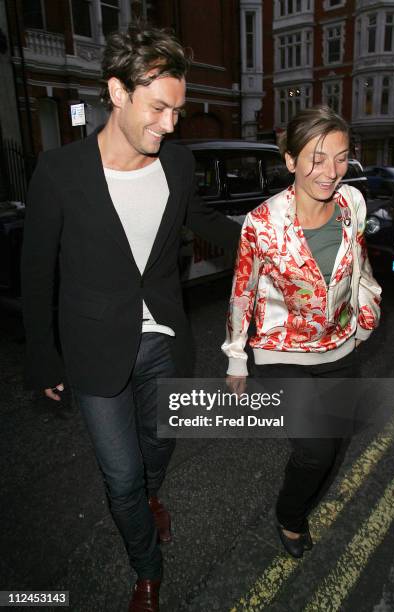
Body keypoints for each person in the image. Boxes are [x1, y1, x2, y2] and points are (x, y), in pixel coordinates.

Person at [21, 22, 240, 612]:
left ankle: (149, 499)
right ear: (118, 93)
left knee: (160, 444)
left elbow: (207, 222)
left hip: (165, 342)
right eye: (160, 108)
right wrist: (42, 354)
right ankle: (148, 569)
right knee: (120, 477)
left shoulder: (177, 165)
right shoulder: (60, 173)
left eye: (179, 110)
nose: (171, 124)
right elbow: (37, 274)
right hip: (94, 350)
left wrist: (275, 235)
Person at [222, 105, 381, 559]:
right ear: (290, 161)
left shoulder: (353, 203)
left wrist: (366, 317)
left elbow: (361, 266)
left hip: (341, 348)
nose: (330, 172)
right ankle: (290, 516)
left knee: (334, 445)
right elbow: (241, 294)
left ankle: (301, 502)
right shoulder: (262, 225)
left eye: (341, 157)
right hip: (282, 352)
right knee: (315, 449)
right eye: (316, 158)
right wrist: (236, 357)